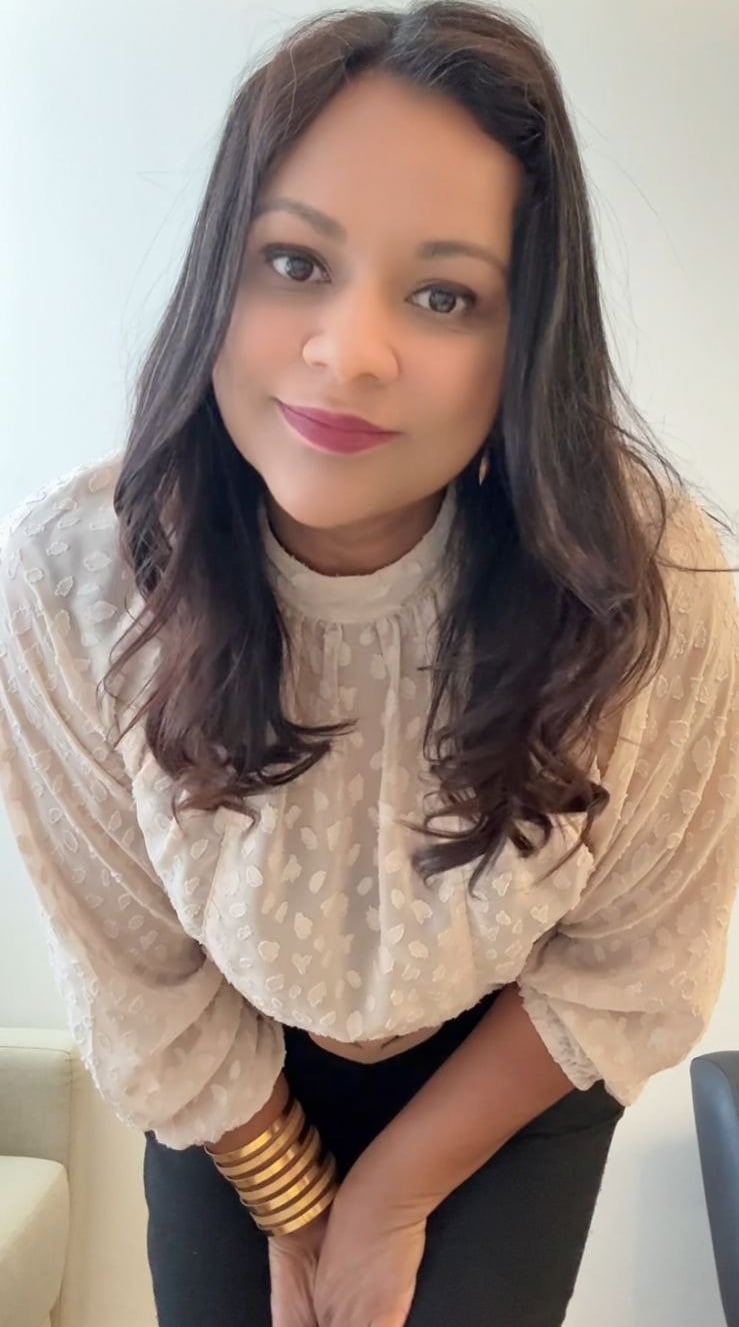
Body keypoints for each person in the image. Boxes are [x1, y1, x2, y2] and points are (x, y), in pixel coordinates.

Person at [1, 1, 737, 1323]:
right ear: (219, 273)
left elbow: (635, 952)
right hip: (227, 1072)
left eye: (445, 294)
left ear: (527, 338)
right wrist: (295, 1203)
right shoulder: (77, 579)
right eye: (294, 261)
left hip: (517, 1060)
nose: (348, 353)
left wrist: (391, 1199)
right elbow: (136, 965)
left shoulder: (643, 580)